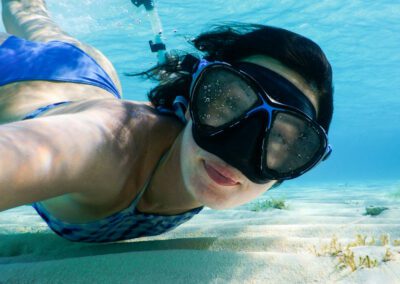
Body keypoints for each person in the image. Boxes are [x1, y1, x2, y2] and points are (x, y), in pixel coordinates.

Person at [0, 0, 333, 242]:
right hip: (18, 80)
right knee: (24, 11)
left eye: (282, 140)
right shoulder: (109, 144)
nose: (237, 153)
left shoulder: (197, 158)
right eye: (230, 103)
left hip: (92, 74)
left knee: (32, 17)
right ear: (191, 102)